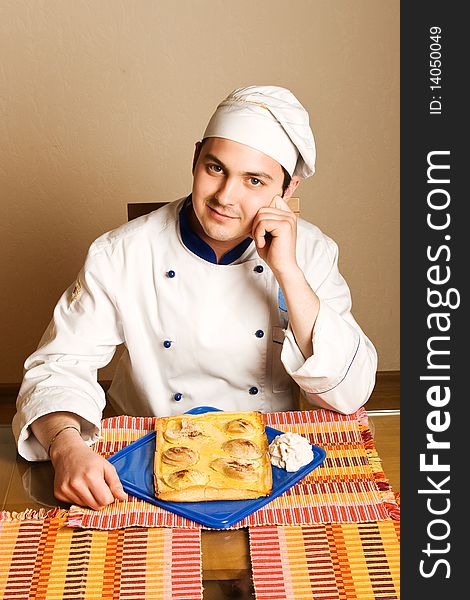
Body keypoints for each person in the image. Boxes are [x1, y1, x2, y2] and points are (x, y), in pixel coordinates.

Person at [13, 85, 377, 510]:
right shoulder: (122, 252)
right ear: (195, 157)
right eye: (215, 168)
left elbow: (349, 393)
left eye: (254, 180)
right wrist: (66, 447)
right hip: (144, 460)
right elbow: (59, 365)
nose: (225, 196)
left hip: (264, 462)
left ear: (288, 189)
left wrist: (288, 273)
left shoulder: (311, 253)